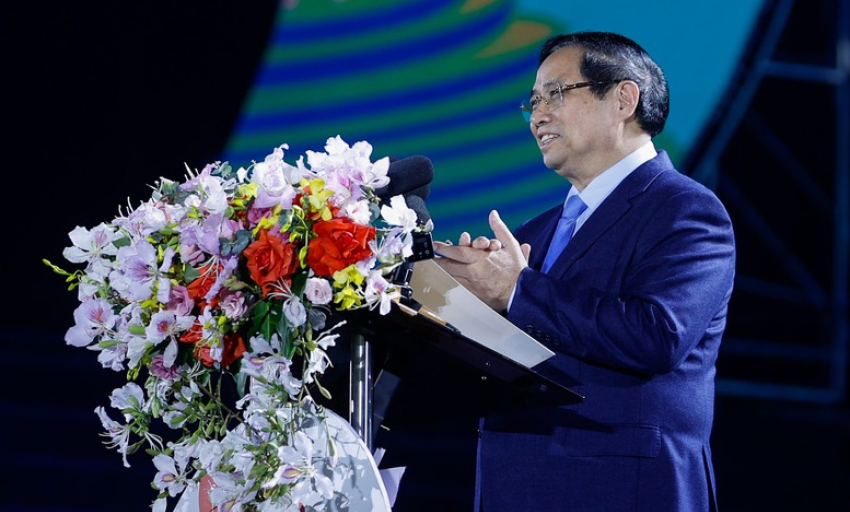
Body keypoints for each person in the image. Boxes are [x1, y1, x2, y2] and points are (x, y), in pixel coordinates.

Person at [433, 31, 736, 512]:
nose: (538, 115)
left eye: (555, 93)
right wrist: (462, 303)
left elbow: (657, 335)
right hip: (514, 484)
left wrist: (516, 291)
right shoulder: (535, 232)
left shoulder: (685, 210)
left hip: (622, 486)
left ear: (623, 99)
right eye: (533, 102)